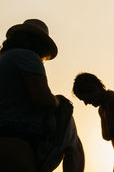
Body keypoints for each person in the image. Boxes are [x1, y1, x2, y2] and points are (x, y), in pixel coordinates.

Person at [0, 19, 84, 172]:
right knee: (70, 126)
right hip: (19, 134)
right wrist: (58, 101)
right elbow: (43, 100)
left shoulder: (5, 58)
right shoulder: (28, 56)